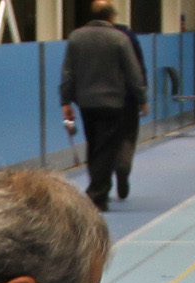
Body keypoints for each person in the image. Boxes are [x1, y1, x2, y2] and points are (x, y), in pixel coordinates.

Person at [60, 1, 148, 211]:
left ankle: (97, 189)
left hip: (86, 103)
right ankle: (98, 194)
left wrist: (65, 101)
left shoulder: (76, 37)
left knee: (94, 145)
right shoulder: (119, 38)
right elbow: (134, 72)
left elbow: (68, 72)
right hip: (112, 102)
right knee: (107, 147)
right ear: (112, 17)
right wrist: (142, 98)